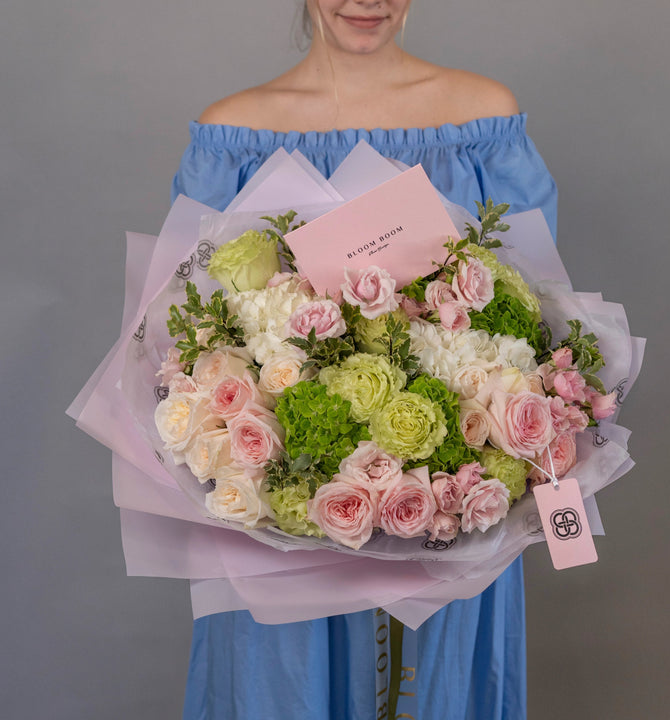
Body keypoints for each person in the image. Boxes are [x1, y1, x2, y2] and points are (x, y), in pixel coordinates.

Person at [172, 1, 557, 718]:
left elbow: (535, 327)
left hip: (448, 515)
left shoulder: (482, 125)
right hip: (278, 528)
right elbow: (191, 342)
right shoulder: (234, 139)